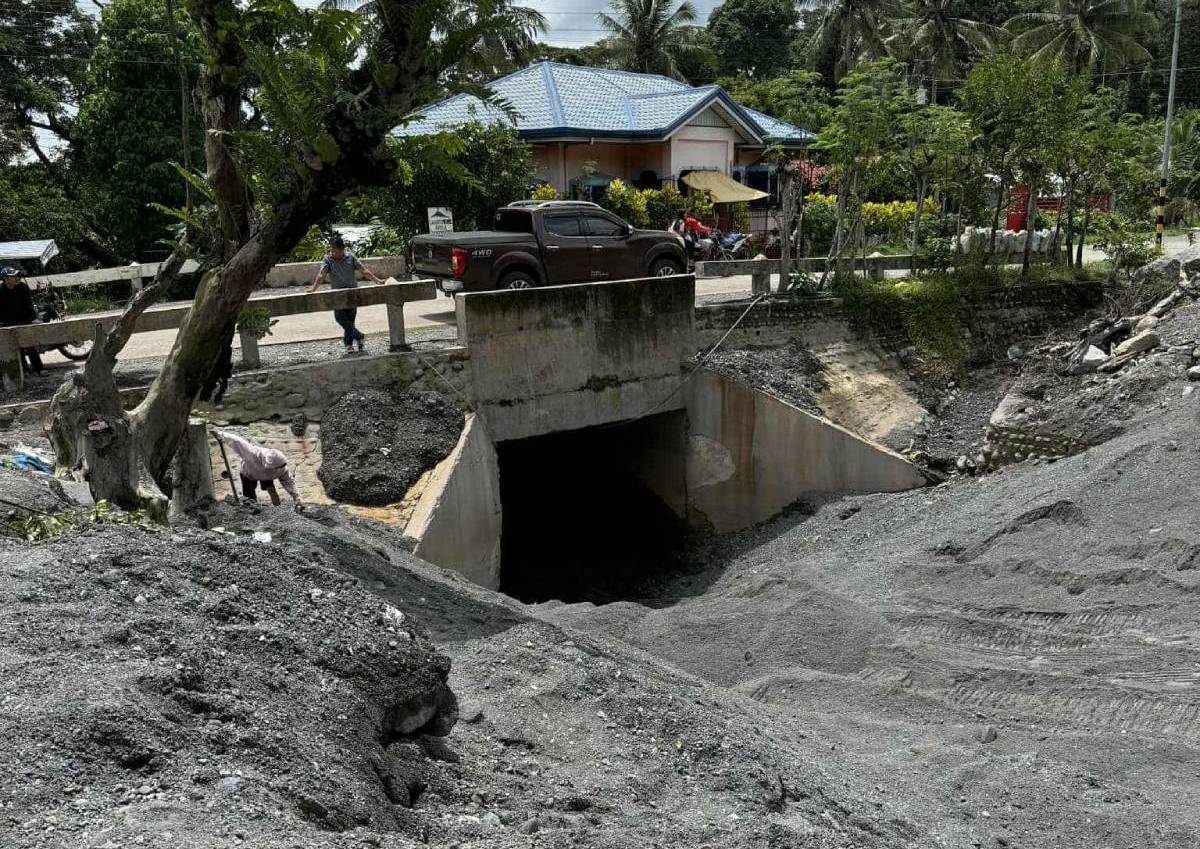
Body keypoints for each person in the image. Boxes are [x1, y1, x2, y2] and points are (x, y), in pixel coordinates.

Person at [306, 235, 386, 354]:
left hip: (352, 293)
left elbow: (364, 271)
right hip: (338, 295)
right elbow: (321, 275)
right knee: (340, 318)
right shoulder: (328, 259)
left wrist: (377, 280)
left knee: (350, 320)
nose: (333, 252)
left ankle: (351, 345)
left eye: (335, 250)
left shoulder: (351, 257)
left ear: (342, 249)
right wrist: (313, 288)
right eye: (331, 250)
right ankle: (359, 336)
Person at [211, 427, 304, 510]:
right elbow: (237, 441)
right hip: (249, 473)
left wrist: (297, 498)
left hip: (267, 476)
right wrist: (220, 434)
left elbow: (288, 482)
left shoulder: (281, 466)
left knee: (271, 490)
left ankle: (277, 509)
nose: (281, 468)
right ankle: (252, 510)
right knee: (249, 497)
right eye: (277, 467)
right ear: (268, 465)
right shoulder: (252, 453)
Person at [0, 267, 43, 374]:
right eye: (12, 276)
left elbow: (29, 304)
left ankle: (39, 369)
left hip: (24, 319)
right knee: (15, 347)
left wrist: (33, 319)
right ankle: (24, 370)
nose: (16, 278)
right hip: (7, 322)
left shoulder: (22, 287)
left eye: (16, 275)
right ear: (5, 278)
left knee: (29, 344)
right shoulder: (0, 290)